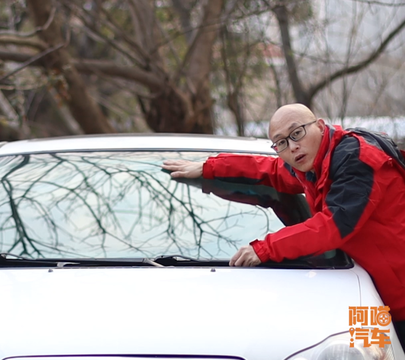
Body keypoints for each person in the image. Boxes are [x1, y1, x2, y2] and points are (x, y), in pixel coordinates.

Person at [162, 103, 405, 348]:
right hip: (376, 294)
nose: (292, 147)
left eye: (297, 133)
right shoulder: (315, 162)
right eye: (281, 143)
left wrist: (264, 248)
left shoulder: (358, 161)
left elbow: (332, 226)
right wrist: (210, 168)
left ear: (320, 127)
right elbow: (271, 170)